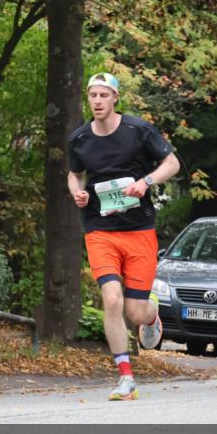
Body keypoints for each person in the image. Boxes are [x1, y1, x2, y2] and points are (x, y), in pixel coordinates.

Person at [67, 73, 181, 401]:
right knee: (112, 299)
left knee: (135, 312)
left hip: (139, 230)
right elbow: (75, 176)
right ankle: (126, 377)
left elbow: (171, 163)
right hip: (100, 229)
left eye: (104, 95)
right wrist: (78, 194)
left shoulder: (137, 130)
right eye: (93, 95)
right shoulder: (80, 139)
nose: (98, 101)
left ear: (115, 98)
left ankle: (152, 313)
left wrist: (146, 181)